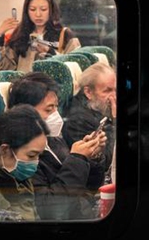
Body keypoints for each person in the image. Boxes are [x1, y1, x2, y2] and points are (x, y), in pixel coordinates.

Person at [7, 72, 107, 220]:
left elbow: (88, 187)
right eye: (49, 109)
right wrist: (77, 159)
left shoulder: (53, 141)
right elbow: (52, 211)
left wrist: (91, 157)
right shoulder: (23, 155)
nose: (56, 115)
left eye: (56, 107)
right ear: (25, 112)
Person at [0, 0, 81, 72]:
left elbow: (74, 68)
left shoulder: (64, 35)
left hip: (52, 89)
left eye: (43, 9)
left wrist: (50, 52)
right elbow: (4, 67)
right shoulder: (20, 34)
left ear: (51, 10)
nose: (38, 14)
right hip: (24, 88)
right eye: (32, 9)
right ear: (27, 11)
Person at [63, 62, 116, 177]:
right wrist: (115, 122)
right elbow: (106, 163)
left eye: (115, 90)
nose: (114, 96)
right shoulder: (77, 120)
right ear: (88, 92)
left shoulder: (97, 108)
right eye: (107, 91)